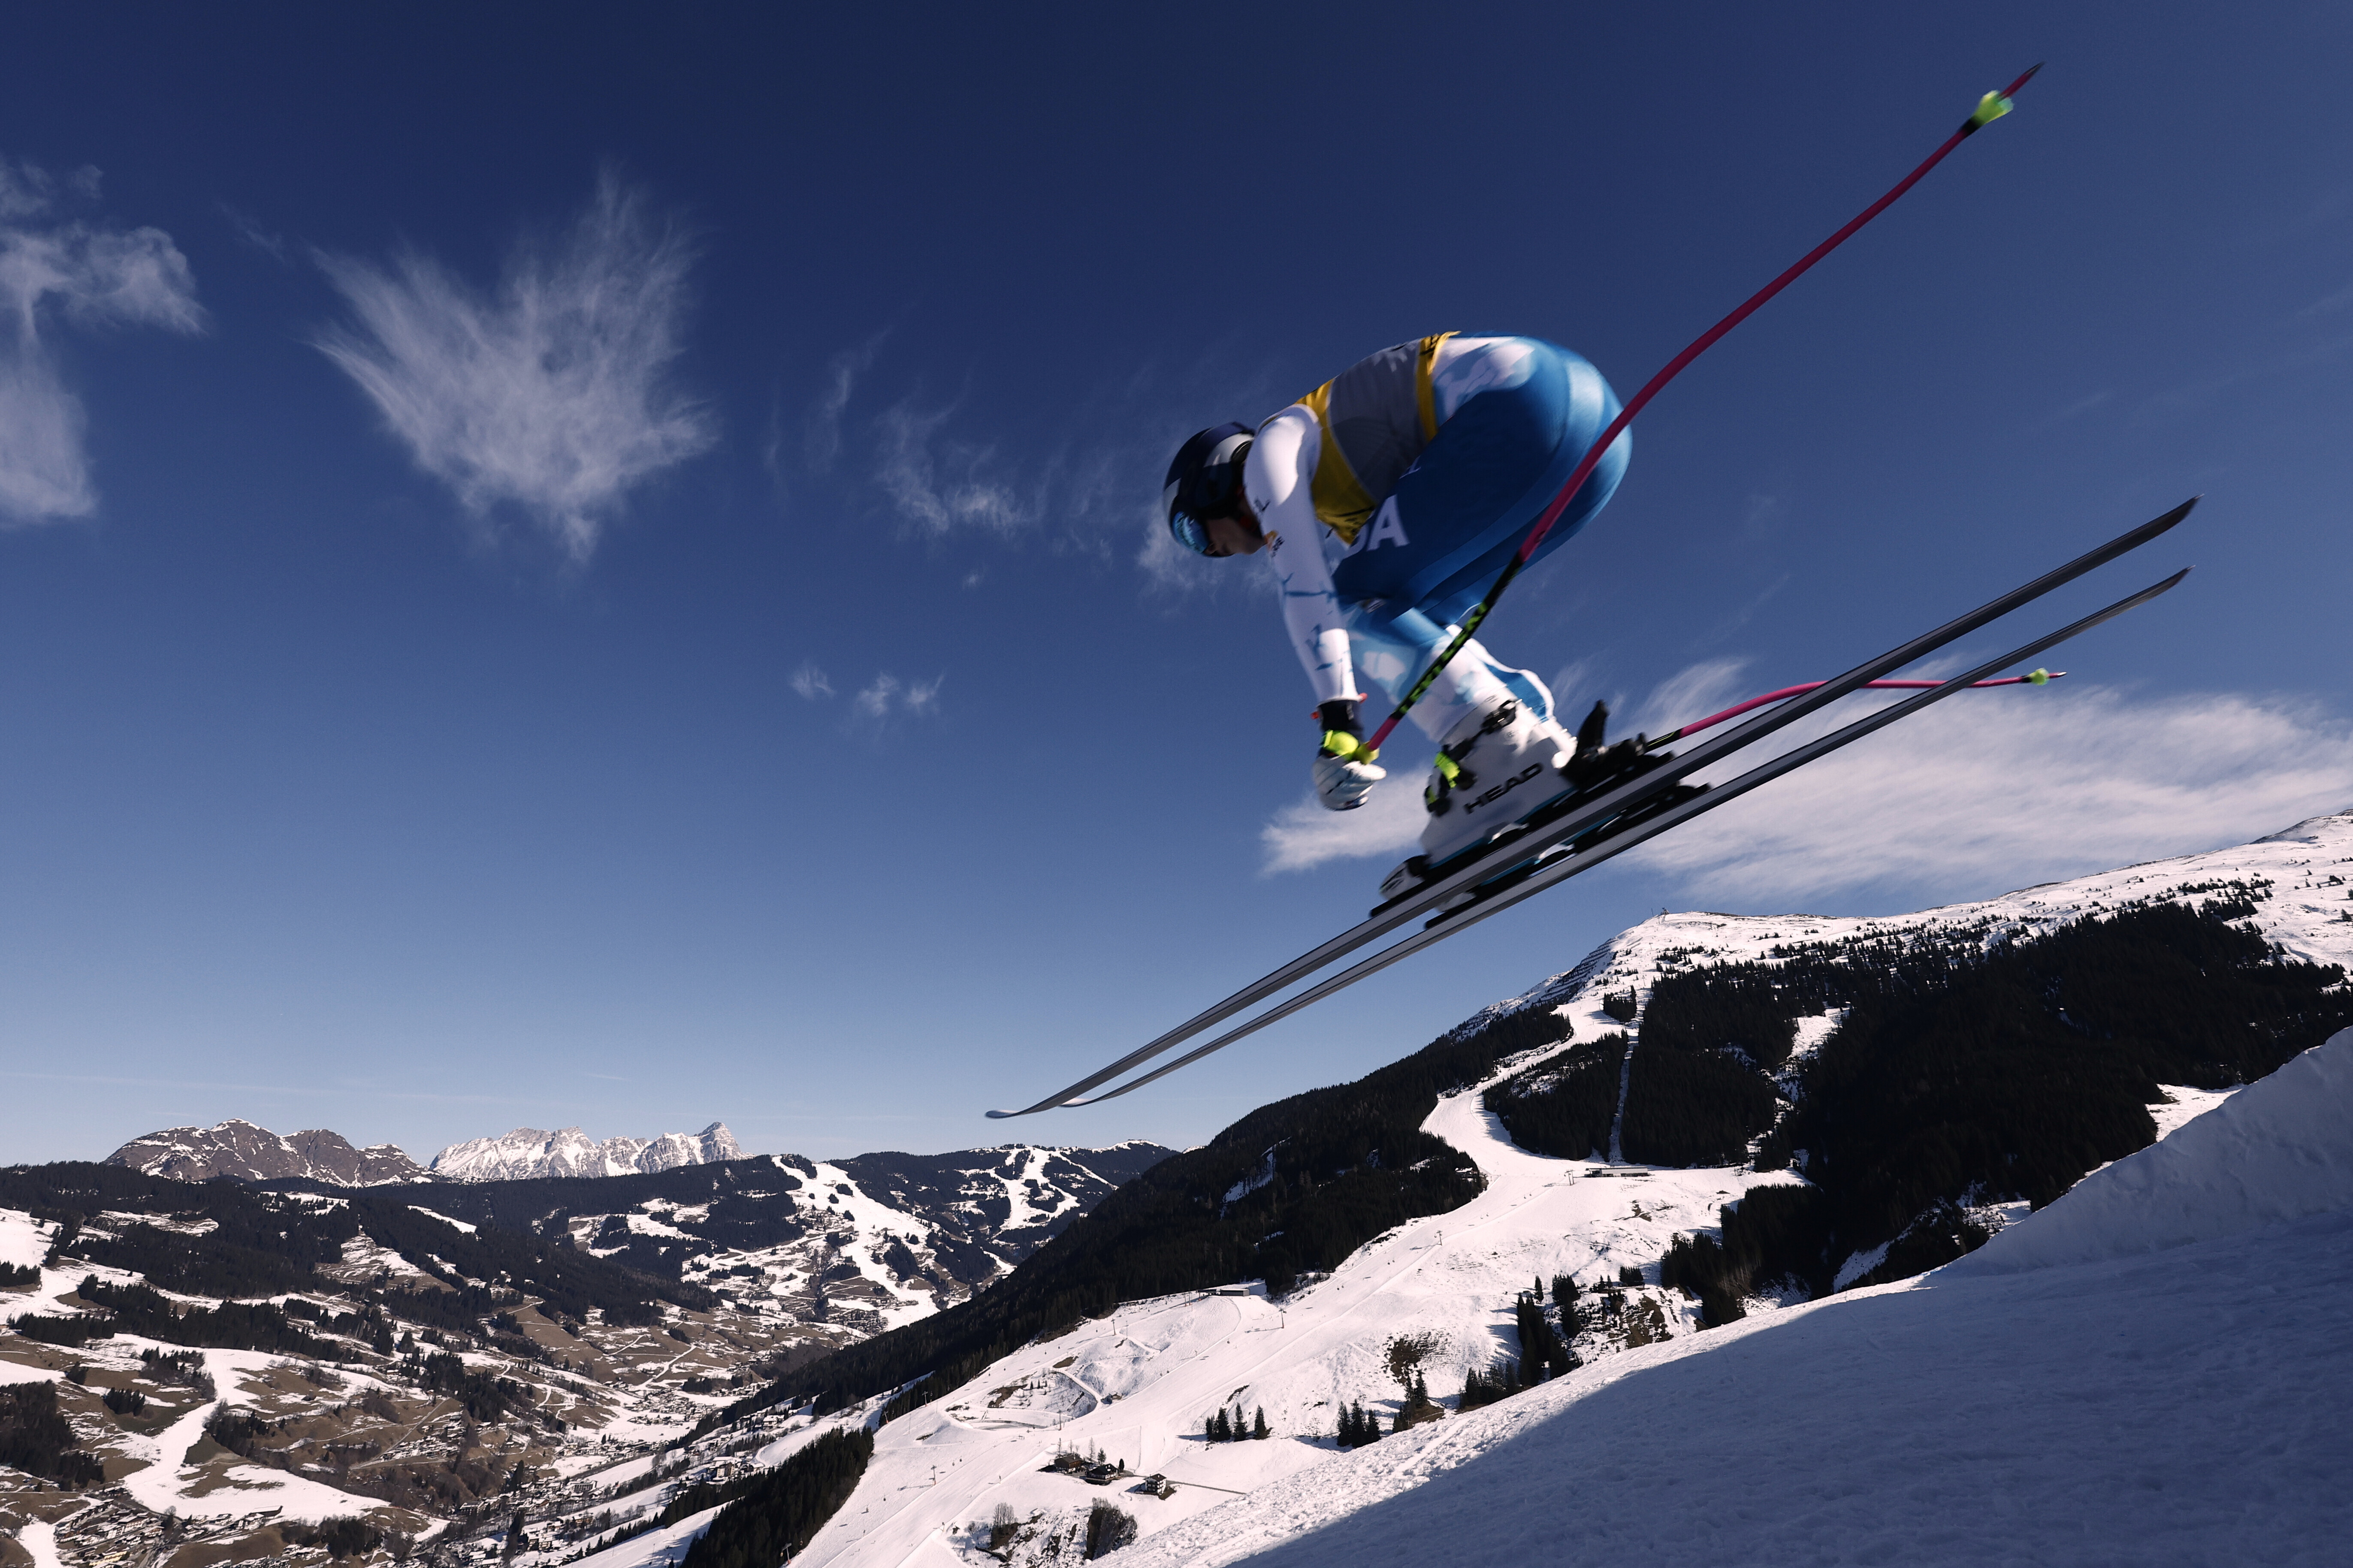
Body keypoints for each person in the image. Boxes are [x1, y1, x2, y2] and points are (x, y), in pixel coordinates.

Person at [1164, 332, 1631, 876]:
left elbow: (1307, 589)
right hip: (1596, 434)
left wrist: (1338, 723)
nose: (1210, 553)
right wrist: (1455, 725)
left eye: (1192, 533)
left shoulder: (1274, 444)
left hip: (1519, 405)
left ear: (1212, 481)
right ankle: (1535, 749)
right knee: (1397, 608)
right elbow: (1416, 629)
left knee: (1347, 598)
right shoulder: (1350, 506)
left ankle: (1506, 752)